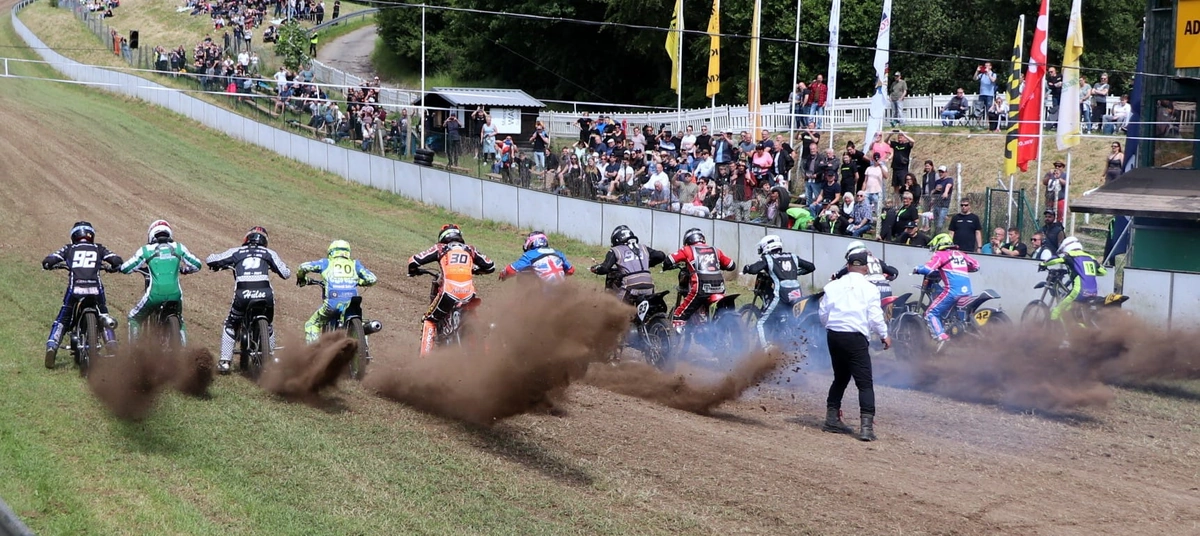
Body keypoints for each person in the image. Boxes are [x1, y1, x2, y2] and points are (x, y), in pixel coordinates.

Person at [819, 250, 890, 442]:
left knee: (840, 378)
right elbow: (875, 316)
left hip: (834, 335)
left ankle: (831, 418)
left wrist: (831, 327)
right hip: (855, 336)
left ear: (848, 266)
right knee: (864, 383)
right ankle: (866, 428)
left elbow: (823, 313)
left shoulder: (833, 285)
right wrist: (884, 335)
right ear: (866, 269)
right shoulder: (870, 288)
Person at [205, 226, 292, 373]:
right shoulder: (269, 253)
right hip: (266, 294)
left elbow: (211, 259)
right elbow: (286, 273)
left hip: (243, 294)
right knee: (269, 325)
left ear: (246, 239)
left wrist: (216, 265)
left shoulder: (237, 252)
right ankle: (269, 356)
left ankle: (225, 362)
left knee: (231, 324)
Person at [41, 222, 123, 366]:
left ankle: (52, 346)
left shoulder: (69, 248)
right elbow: (116, 259)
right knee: (103, 313)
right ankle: (112, 344)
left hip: (76, 289)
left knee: (64, 316)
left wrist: (49, 264)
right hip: (95, 289)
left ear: (74, 236)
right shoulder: (99, 248)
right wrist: (112, 267)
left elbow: (50, 259)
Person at [407, 224, 496, 356]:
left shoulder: (441, 248)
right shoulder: (470, 250)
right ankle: (488, 354)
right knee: (473, 319)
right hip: (469, 294)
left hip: (449, 292)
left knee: (430, 320)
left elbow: (413, 260)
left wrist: (413, 270)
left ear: (442, 237)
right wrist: (475, 270)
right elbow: (490, 266)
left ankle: (424, 359)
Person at [118, 220, 203, 344]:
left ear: (151, 234)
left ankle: (134, 353)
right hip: (176, 294)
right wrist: (185, 270)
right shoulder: (179, 247)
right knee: (180, 320)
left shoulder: (146, 250)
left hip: (155, 294)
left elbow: (126, 268)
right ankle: (185, 352)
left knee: (134, 317)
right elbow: (197, 265)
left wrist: (122, 268)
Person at [296, 240, 378, 343]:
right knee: (361, 325)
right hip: (352, 303)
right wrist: (359, 282)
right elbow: (372, 279)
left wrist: (302, 278)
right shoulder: (354, 264)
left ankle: (314, 355)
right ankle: (364, 350)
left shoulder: (326, 263)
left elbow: (303, 267)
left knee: (312, 324)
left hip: (332, 304)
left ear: (331, 252)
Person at [742, 235, 816, 348]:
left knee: (760, 323)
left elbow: (753, 269)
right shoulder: (792, 256)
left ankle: (766, 350)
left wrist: (747, 268)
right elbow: (811, 267)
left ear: (766, 247)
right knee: (792, 318)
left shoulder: (768, 258)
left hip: (780, 294)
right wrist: (795, 273)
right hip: (796, 293)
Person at [914, 233, 980, 343]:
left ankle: (941, 336)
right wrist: (961, 269)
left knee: (931, 313)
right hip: (967, 292)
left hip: (952, 291)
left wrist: (917, 268)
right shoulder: (960, 254)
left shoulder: (941, 255)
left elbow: (928, 269)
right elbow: (976, 266)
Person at [668, 228, 736, 331]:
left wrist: (665, 265)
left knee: (679, 314)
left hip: (701, 286)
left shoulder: (687, 249)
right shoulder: (715, 250)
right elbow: (731, 265)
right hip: (719, 286)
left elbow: (670, 259)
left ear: (687, 240)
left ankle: (674, 339)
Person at [590, 225, 672, 304]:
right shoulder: (643, 247)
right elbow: (661, 256)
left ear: (616, 239)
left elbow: (604, 268)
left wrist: (594, 268)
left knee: (615, 309)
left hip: (630, 287)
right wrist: (647, 264)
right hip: (649, 285)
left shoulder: (615, 250)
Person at [1041, 236, 1107, 329]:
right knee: (1071, 312)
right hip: (1093, 292)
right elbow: (1103, 272)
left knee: (1056, 312)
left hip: (1079, 291)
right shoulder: (1090, 257)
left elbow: (1055, 259)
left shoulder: (1071, 255)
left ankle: (1064, 338)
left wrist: (1043, 264)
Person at [499, 231, 575, 283]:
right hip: (562, 288)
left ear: (532, 243)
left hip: (546, 293)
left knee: (524, 274)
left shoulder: (529, 255)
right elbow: (571, 270)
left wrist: (503, 273)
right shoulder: (558, 253)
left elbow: (510, 270)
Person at [832, 241, 899, 299]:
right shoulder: (877, 260)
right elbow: (894, 272)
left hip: (868, 291)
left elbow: (843, 271)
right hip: (886, 290)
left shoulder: (857, 261)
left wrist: (836, 275)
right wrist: (886, 276)